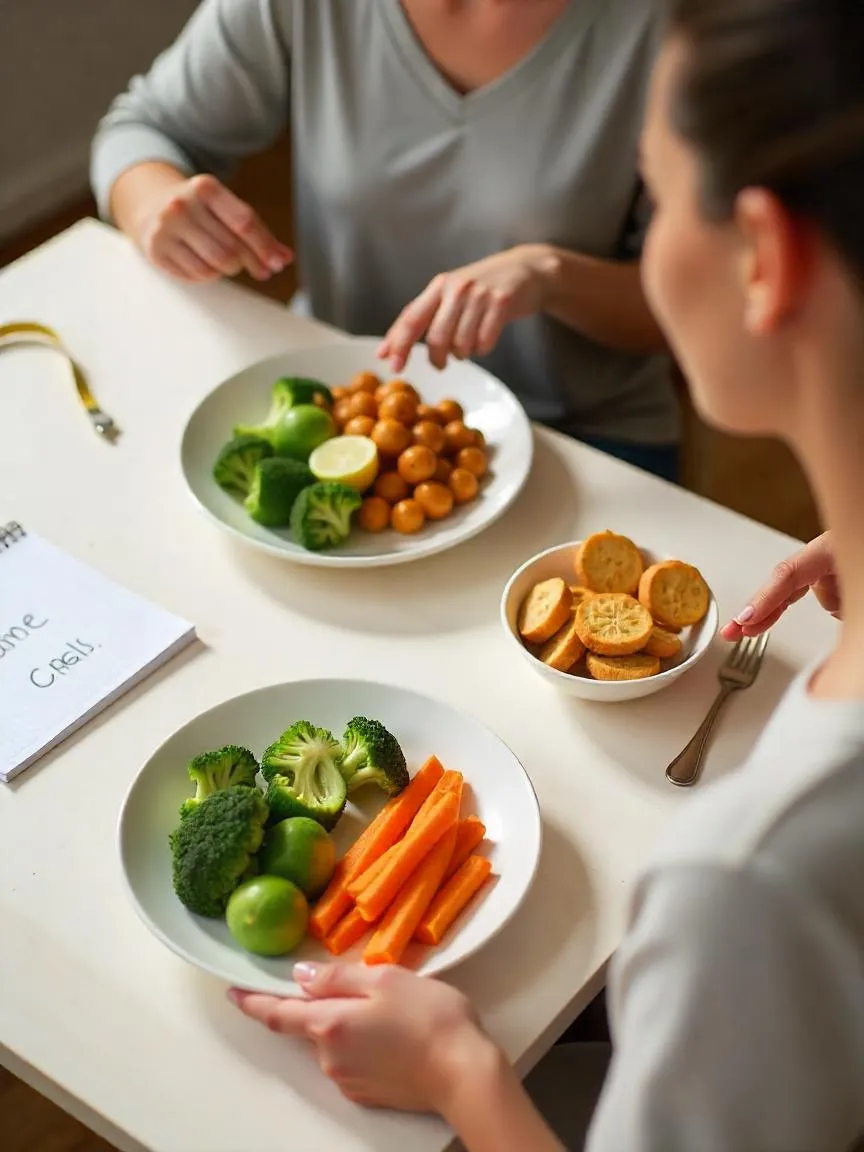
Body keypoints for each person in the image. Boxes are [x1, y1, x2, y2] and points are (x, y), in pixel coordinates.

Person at [229, 1, 864, 1149]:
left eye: (657, 198)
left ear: (762, 257)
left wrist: (460, 1070)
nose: (650, 237)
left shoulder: (746, 882)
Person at [89, 0, 682, 481]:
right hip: (342, 401)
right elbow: (142, 129)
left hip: (586, 437)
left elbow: (693, 312)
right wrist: (152, 208)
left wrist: (552, 275)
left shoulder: (679, 30)